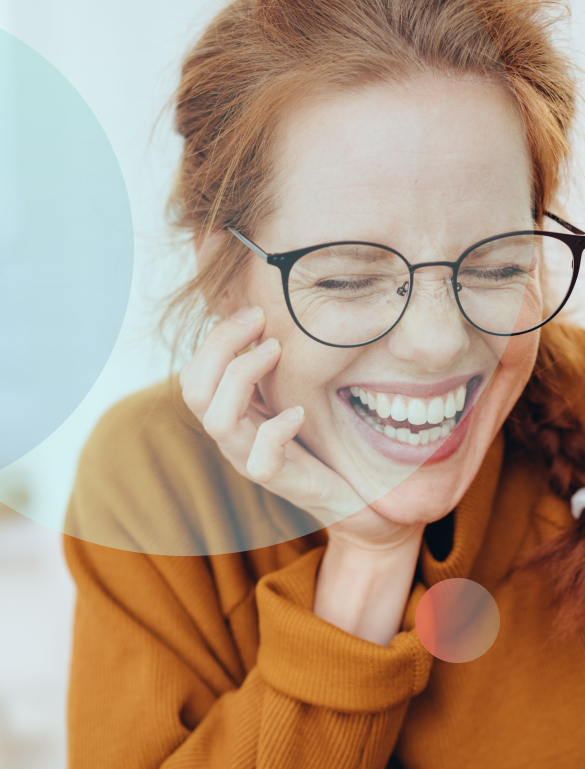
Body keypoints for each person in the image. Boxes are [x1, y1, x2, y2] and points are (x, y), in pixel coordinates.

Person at [64, 0, 585, 766]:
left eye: (497, 266)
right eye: (347, 279)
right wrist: (367, 565)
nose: (437, 342)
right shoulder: (155, 481)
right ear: (223, 274)